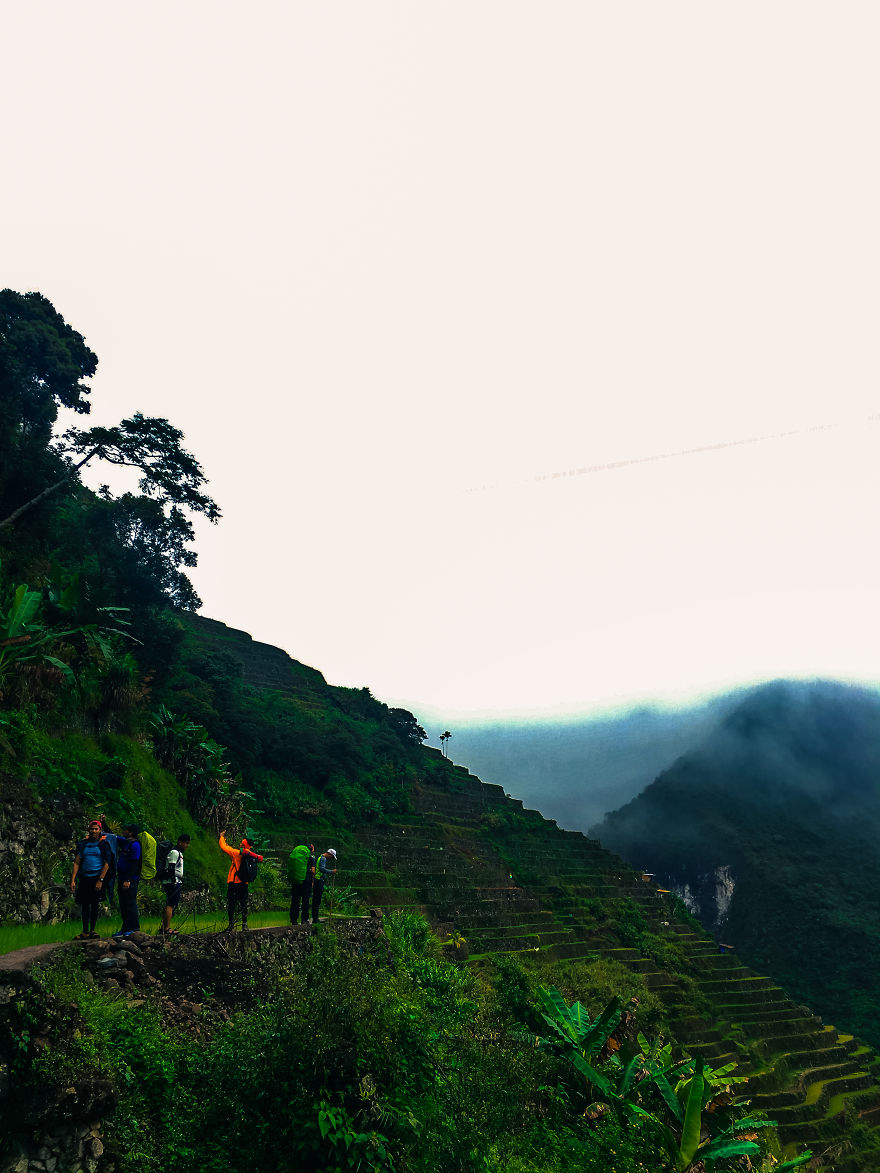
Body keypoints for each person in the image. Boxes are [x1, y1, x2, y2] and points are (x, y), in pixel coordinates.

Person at [70, 819, 112, 939]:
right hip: (84, 877)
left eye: (96, 829)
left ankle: (93, 929)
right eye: (92, 829)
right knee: (85, 905)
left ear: (100, 830)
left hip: (97, 877)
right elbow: (77, 862)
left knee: (94, 904)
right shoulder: (83, 844)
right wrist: (73, 879)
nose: (94, 831)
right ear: (89, 830)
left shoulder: (103, 844)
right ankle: (85, 931)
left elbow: (107, 863)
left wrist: (101, 880)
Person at [218, 830, 264, 931]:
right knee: (243, 904)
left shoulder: (237, 854)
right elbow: (260, 859)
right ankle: (244, 924)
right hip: (244, 883)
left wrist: (222, 837)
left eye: (241, 844)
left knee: (232, 904)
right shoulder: (252, 856)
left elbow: (224, 847)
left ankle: (231, 925)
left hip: (234, 882)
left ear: (243, 845)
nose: (240, 845)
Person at [112, 823, 143, 938]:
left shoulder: (135, 845)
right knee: (123, 903)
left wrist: (128, 879)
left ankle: (134, 927)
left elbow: (134, 864)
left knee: (130, 903)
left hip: (130, 879)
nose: (123, 831)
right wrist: (103, 824)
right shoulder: (126, 842)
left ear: (130, 832)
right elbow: (112, 836)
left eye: (125, 830)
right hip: (121, 877)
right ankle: (125, 927)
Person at [160, 834, 191, 935]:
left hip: (175, 881)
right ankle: (166, 928)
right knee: (170, 904)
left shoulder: (178, 853)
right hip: (172, 882)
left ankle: (164, 927)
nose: (187, 845)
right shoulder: (174, 852)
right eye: (186, 843)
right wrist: (173, 881)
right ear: (180, 842)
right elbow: (171, 866)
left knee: (172, 904)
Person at [287, 842, 316, 926]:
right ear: (311, 849)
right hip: (306, 881)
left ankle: (293, 920)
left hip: (296, 880)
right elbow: (313, 870)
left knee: (295, 899)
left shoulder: (299, 855)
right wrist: (312, 881)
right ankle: (304, 920)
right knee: (305, 900)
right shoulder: (311, 857)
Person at [311, 848, 337, 924]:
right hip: (318, 880)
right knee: (317, 900)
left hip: (318, 880)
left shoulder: (320, 857)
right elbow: (322, 869)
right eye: (332, 857)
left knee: (316, 900)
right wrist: (331, 871)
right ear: (329, 854)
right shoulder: (323, 859)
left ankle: (315, 918)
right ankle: (315, 919)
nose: (331, 858)